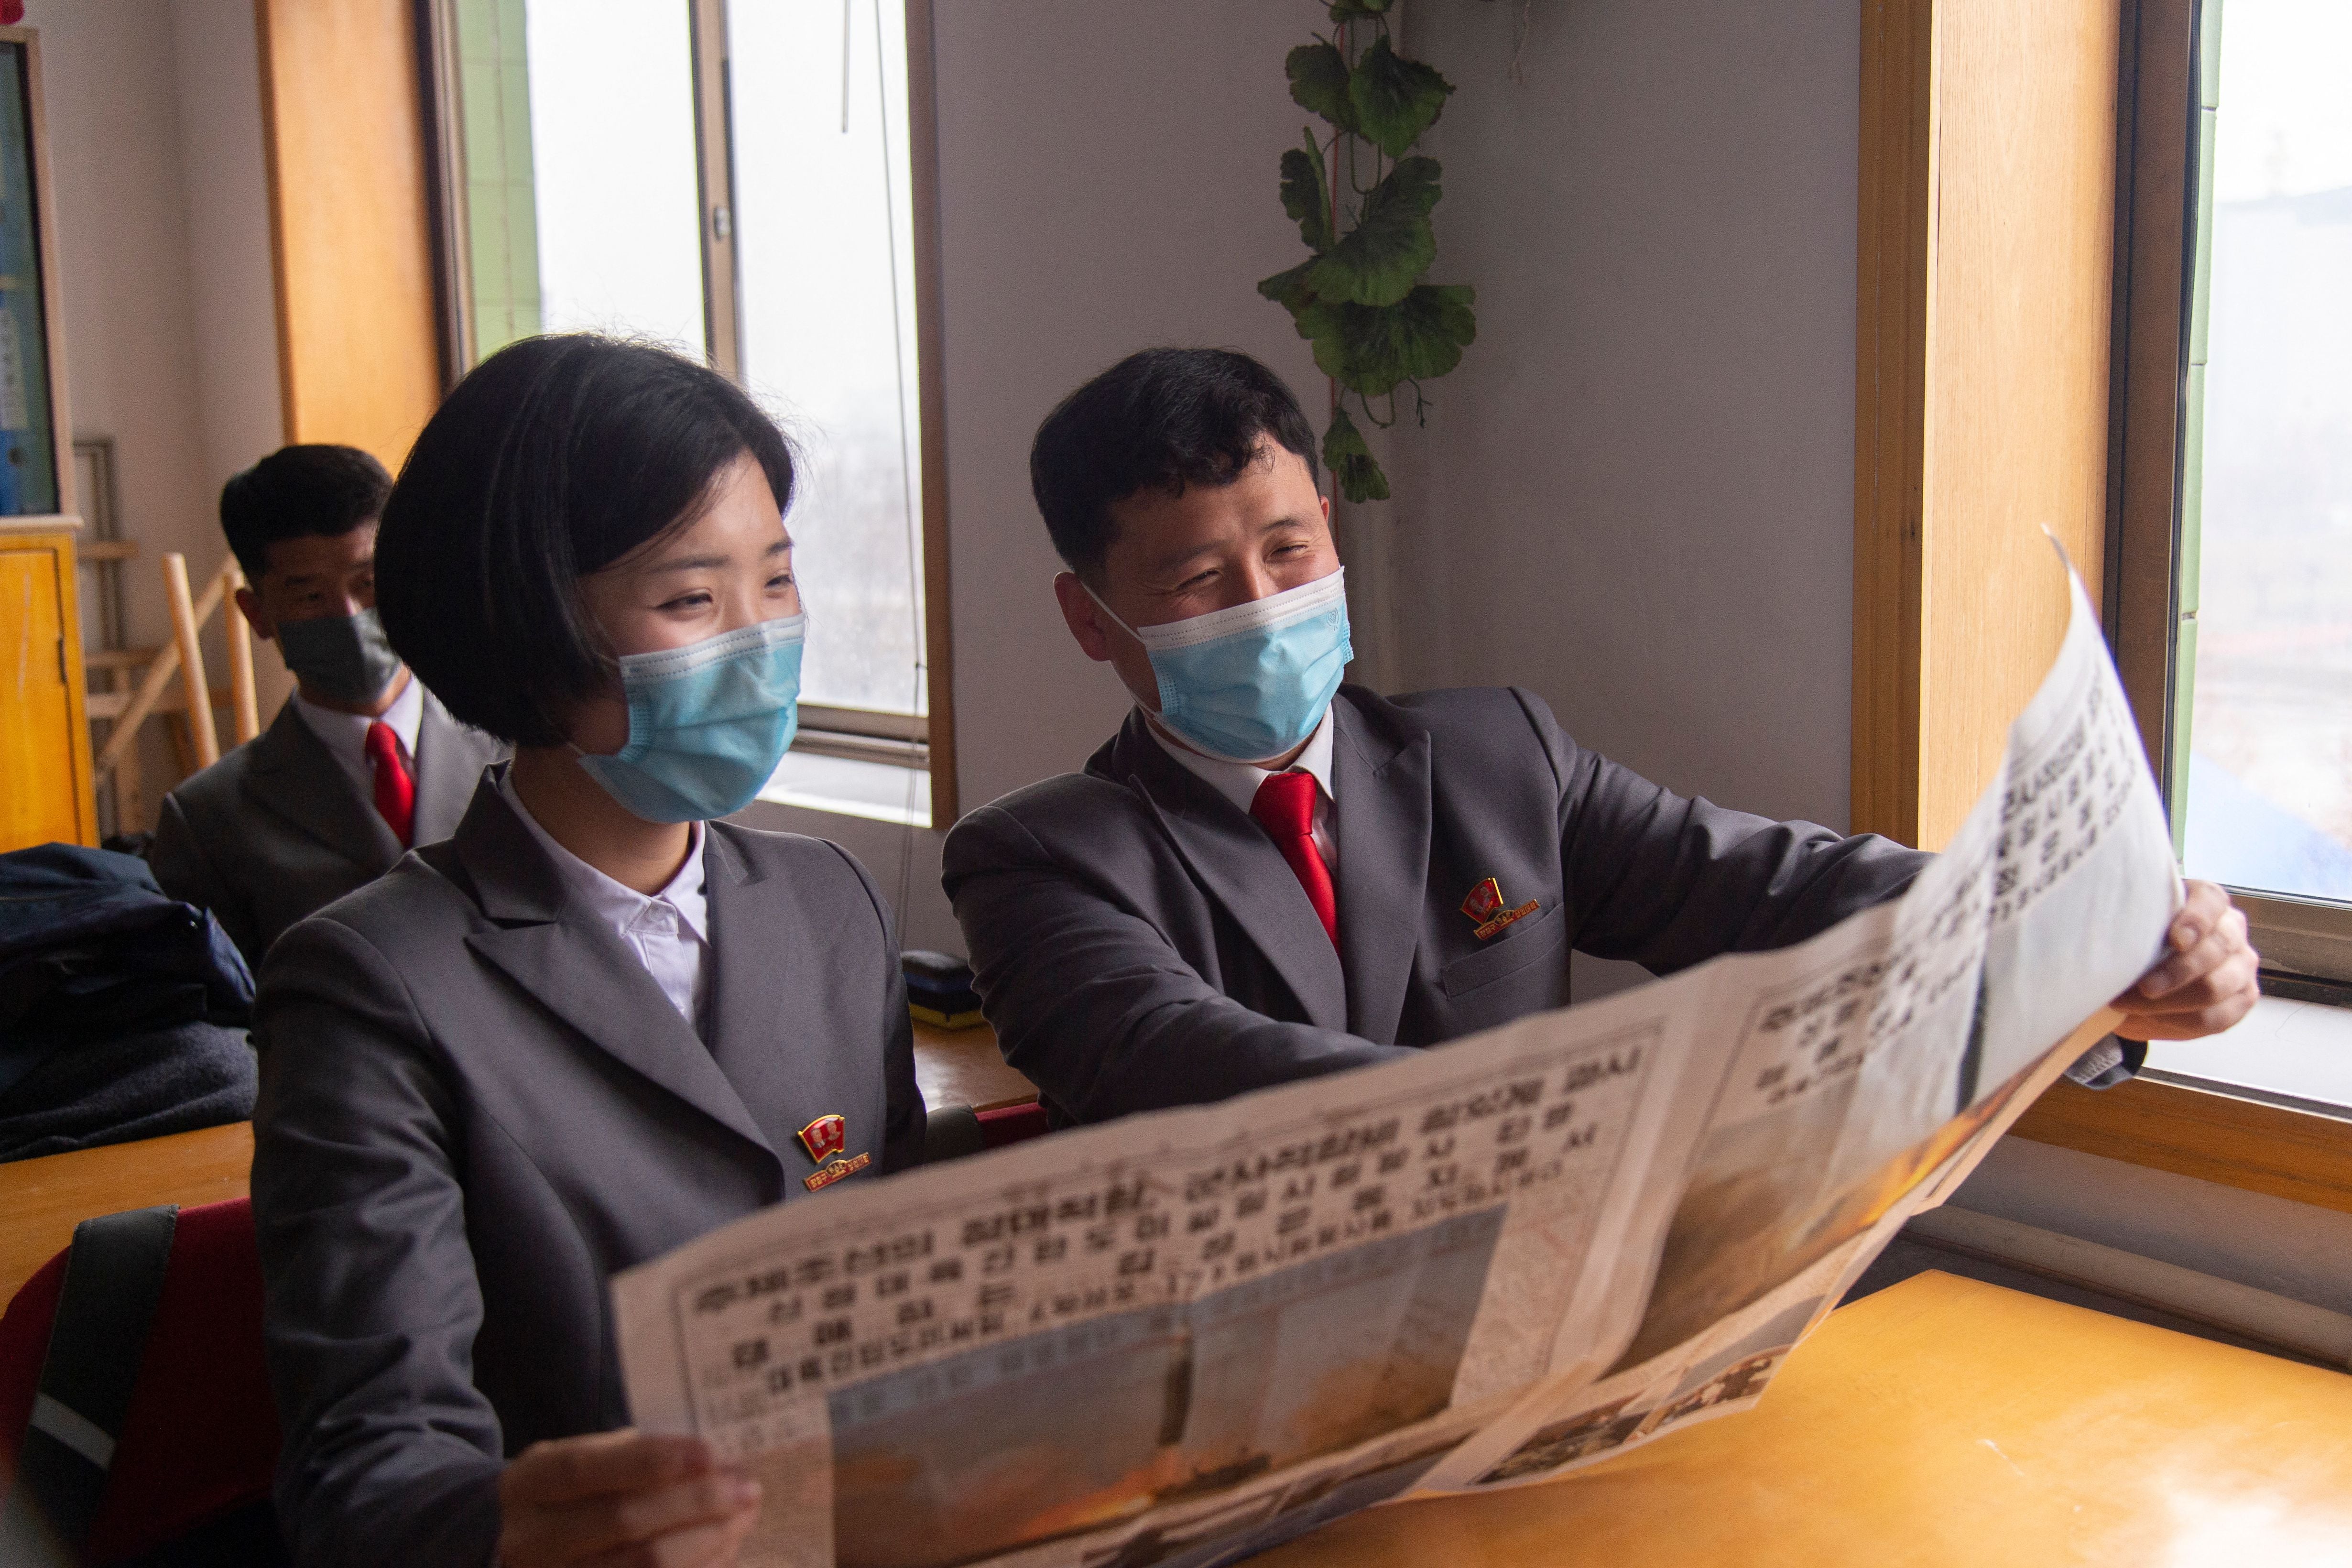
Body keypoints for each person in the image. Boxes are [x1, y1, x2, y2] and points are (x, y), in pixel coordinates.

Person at [941, 348, 2259, 1125]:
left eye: (1292, 552)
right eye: (1198, 584)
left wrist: (2090, 936)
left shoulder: (1496, 755)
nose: (1267, 605)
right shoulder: (1039, 863)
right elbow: (1195, 1064)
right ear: (1091, 617)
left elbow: (1771, 889)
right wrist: (1583, 1118)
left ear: (1333, 530)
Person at [250, 336, 926, 1568]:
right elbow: (372, 1467)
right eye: (689, 599)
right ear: (524, 627)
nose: (759, 639)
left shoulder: (831, 901)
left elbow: (910, 1289)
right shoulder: (369, 981)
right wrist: (521, 1524)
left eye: (774, 582)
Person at [149, 445, 504, 967]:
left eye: (368, 583)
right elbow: (216, 1020)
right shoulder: (209, 820)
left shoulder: (521, 746)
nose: (350, 616)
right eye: (310, 596)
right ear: (257, 613)